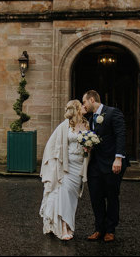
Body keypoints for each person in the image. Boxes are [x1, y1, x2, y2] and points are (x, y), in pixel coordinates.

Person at [82, 90, 129, 243]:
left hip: (111, 163)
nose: (84, 105)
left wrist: (118, 158)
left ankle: (110, 230)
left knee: (111, 196)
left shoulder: (113, 112)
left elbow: (121, 135)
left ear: (91, 99)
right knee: (96, 197)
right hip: (95, 164)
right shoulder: (90, 118)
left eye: (84, 102)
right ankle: (98, 229)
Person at [39, 100, 90, 241]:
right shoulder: (65, 125)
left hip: (79, 166)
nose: (84, 106)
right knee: (64, 195)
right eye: (81, 105)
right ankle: (62, 227)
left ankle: (69, 225)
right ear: (77, 109)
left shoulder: (86, 124)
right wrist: (56, 161)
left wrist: (88, 148)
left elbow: (88, 143)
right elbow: (52, 144)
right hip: (67, 166)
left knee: (73, 198)